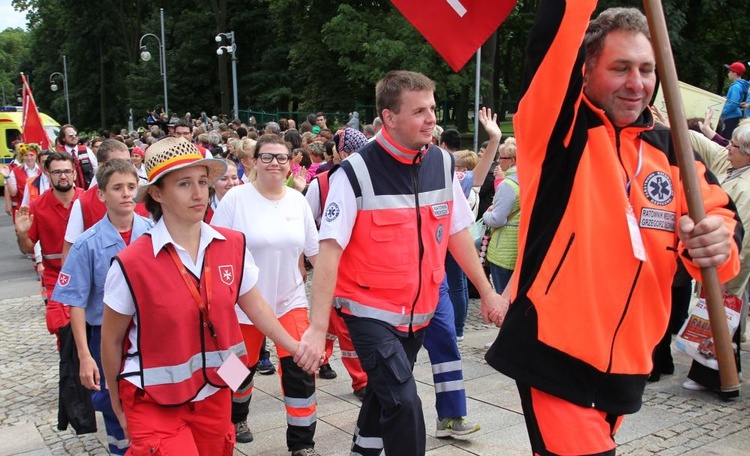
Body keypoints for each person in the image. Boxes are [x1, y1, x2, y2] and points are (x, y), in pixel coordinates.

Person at [484, 4, 740, 455]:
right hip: (554, 353)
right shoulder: (559, 129)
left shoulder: (673, 148)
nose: (636, 82)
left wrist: (717, 241)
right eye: (620, 68)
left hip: (630, 363)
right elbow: (553, 37)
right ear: (584, 72)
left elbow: (719, 219)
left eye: (646, 69)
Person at [295, 70, 506, 456]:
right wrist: (317, 327)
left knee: (383, 395)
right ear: (389, 118)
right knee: (405, 402)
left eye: (433, 109)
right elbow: (329, 253)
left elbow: (458, 232)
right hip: (369, 314)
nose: (432, 119)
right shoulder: (354, 174)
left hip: (419, 314)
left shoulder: (441, 163)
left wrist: (489, 293)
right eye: (420, 111)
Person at [100, 137, 305, 455]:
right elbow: (111, 340)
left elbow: (257, 307)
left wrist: (296, 348)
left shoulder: (232, 244)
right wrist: (116, 402)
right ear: (157, 193)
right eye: (184, 184)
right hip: (154, 400)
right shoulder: (131, 263)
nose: (198, 193)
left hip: (216, 392)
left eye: (202, 182)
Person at [212, 134, 320, 455]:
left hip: (290, 302)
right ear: (253, 161)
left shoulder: (297, 201)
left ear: (291, 162)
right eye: (267, 157)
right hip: (243, 306)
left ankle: (302, 445)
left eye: (282, 157)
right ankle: (236, 419)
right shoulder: (236, 199)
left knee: (301, 372)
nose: (275, 163)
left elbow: (316, 252)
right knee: (236, 373)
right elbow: (214, 250)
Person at [51, 159, 152, 455]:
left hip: (148, 333)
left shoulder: (153, 233)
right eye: (117, 188)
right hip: (105, 337)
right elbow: (77, 304)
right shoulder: (87, 244)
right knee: (113, 404)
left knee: (149, 398)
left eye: (132, 187)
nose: (126, 194)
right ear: (101, 194)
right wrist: (84, 356)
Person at [683, 124, 750, 392]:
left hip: (730, 265)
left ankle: (715, 376)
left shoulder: (746, 187)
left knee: (722, 316)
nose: (728, 148)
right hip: (724, 263)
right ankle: (725, 372)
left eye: (734, 145)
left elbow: (740, 234)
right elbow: (702, 142)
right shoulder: (734, 169)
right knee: (723, 316)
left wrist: (725, 270)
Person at [15, 152, 84, 346]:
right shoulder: (38, 206)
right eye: (57, 172)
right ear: (47, 174)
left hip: (87, 275)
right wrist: (22, 234)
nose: (63, 176)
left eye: (67, 172)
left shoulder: (88, 200)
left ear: (74, 174)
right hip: (56, 277)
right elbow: (27, 247)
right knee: (62, 328)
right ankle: (69, 370)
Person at [482, 138, 519, 294]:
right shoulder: (529, 179)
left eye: (501, 157)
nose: (498, 160)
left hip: (503, 249)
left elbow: (497, 219)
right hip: (517, 244)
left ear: (512, 161)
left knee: (502, 297)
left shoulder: (507, 185)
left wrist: (486, 214)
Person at [56, 124, 97, 189]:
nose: (74, 137)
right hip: (68, 192)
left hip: (88, 190)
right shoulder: (57, 153)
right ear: (63, 138)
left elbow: (96, 170)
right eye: (70, 135)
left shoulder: (86, 150)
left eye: (75, 134)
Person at [719, 62, 749, 139]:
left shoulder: (736, 87)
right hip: (733, 116)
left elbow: (732, 104)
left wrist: (721, 112)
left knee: (726, 140)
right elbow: (734, 101)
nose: (728, 74)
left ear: (734, 73)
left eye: (729, 72)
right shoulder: (739, 85)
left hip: (731, 117)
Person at [205, 158, 240, 223]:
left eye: (234, 178)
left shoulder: (248, 202)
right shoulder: (204, 211)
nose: (231, 183)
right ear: (212, 183)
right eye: (224, 179)